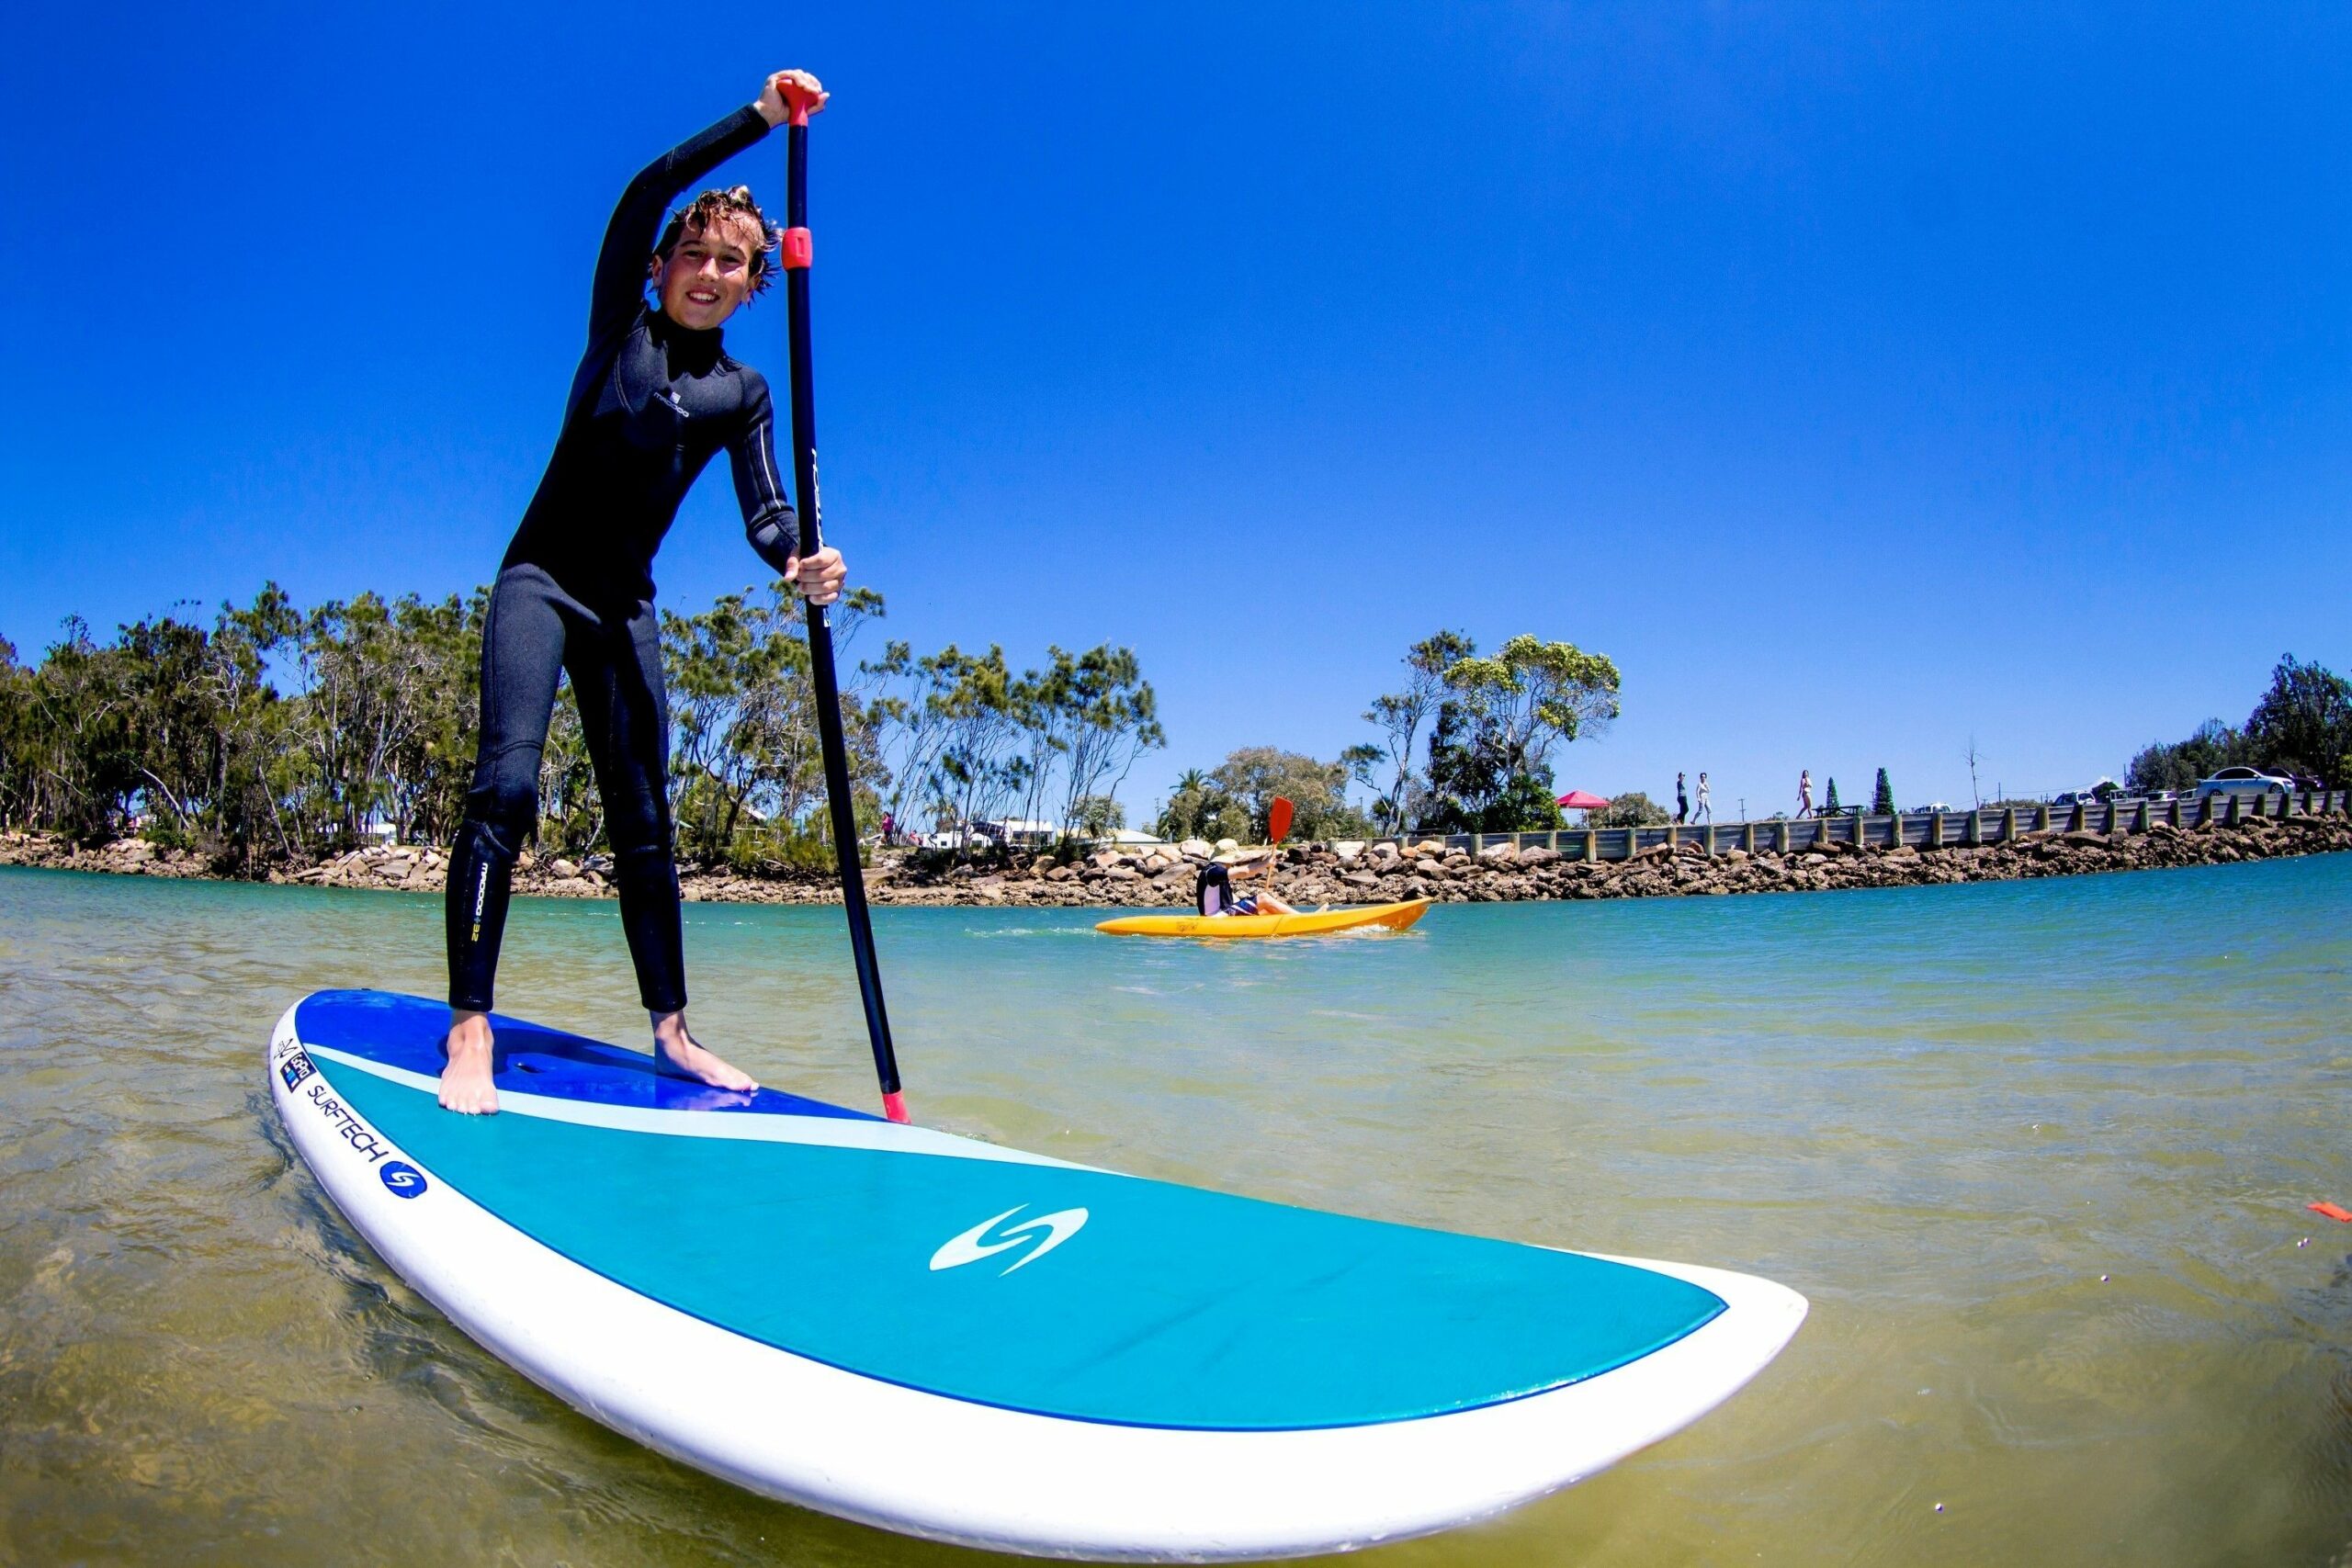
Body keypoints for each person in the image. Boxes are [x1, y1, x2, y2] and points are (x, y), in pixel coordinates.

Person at [439, 70, 846, 1115]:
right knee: (507, 790)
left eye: (734, 264)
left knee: (646, 825)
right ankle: (469, 1027)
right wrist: (759, 121)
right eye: (696, 254)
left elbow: (765, 516)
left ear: (756, 282)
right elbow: (643, 187)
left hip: (624, 607)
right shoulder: (617, 325)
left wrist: (799, 560)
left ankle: (672, 1032)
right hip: (540, 583)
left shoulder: (741, 393)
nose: (709, 272)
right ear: (664, 262)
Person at [1195, 855, 1297, 919]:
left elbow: (1231, 900)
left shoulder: (1214, 871)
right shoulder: (1214, 872)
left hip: (1220, 914)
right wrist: (1266, 863)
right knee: (1263, 898)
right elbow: (1245, 872)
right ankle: (1302, 918)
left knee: (1263, 911)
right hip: (1217, 917)